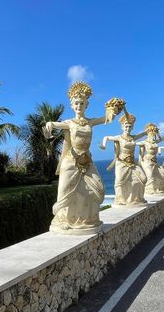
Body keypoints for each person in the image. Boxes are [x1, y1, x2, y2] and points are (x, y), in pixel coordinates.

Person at [43, 82, 122, 234]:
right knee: (65, 192)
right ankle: (63, 220)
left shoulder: (90, 122)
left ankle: (88, 219)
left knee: (98, 188)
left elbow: (105, 119)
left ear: (87, 105)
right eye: (76, 103)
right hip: (71, 161)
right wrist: (49, 124)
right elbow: (55, 124)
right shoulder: (69, 123)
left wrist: (115, 109)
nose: (79, 105)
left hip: (87, 160)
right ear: (72, 105)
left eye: (82, 103)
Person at [101, 112, 148, 206]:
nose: (128, 128)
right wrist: (103, 145)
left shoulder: (133, 137)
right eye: (126, 126)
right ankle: (120, 200)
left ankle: (137, 198)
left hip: (133, 164)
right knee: (119, 181)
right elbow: (106, 137)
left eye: (130, 126)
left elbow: (143, 134)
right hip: (122, 163)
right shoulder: (119, 137)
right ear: (122, 127)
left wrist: (150, 131)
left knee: (143, 179)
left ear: (132, 127)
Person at [137, 123, 164, 194]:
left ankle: (159, 188)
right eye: (151, 132)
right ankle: (149, 190)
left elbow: (160, 139)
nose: (152, 134)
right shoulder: (144, 142)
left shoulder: (154, 142)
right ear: (148, 133)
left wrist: (161, 135)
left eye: (154, 133)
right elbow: (136, 144)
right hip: (146, 161)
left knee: (163, 174)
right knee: (150, 175)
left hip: (154, 161)